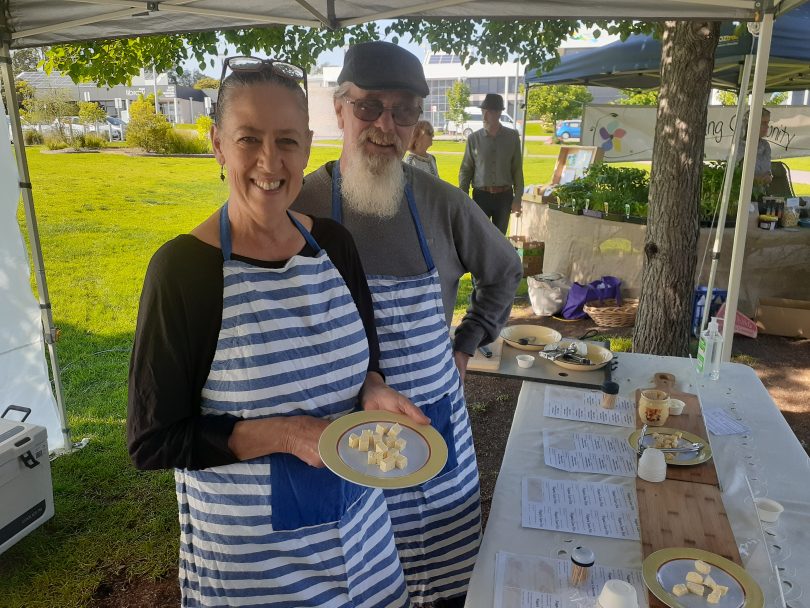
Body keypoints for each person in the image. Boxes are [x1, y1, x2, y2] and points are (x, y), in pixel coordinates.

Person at [127, 56, 428, 607]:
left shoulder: (335, 246)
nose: (271, 161)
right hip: (255, 573)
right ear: (218, 144)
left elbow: (367, 356)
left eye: (287, 140)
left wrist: (375, 388)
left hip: (364, 546)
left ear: (309, 145)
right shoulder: (186, 271)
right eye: (249, 139)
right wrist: (286, 434)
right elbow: (153, 440)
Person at [293, 41, 522, 607]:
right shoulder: (299, 203)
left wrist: (467, 344)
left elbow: (504, 272)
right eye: (369, 107)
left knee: (439, 583)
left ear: (418, 121)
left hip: (429, 430)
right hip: (336, 438)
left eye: (404, 111)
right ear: (340, 110)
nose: (385, 125)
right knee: (352, 583)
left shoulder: (442, 203)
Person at [458, 93, 524, 235]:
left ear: (499, 113)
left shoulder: (512, 137)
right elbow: (466, 169)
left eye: (489, 111)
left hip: (504, 197)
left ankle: (497, 258)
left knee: (499, 238)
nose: (484, 115)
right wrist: (463, 197)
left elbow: (517, 169)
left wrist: (517, 198)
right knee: (479, 236)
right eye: (483, 111)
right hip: (481, 196)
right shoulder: (473, 139)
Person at [736, 107, 772, 185]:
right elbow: (737, 175)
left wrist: (769, 176)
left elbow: (768, 171)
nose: (767, 126)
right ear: (751, 124)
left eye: (767, 123)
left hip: (763, 192)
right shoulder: (738, 146)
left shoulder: (765, 145)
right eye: (763, 123)